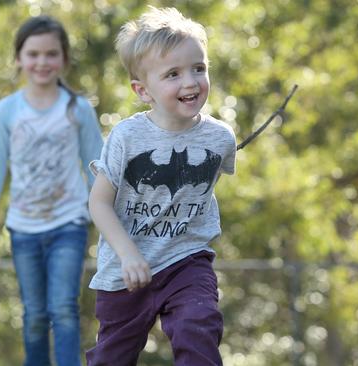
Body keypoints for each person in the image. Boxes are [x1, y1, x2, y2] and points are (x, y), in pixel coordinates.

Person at [85, 6, 236, 366]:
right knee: (111, 358)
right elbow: (99, 204)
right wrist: (128, 253)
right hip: (126, 270)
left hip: (187, 261)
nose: (190, 82)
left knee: (197, 325)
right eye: (172, 74)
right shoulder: (127, 137)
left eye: (199, 68)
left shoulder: (220, 139)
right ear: (142, 90)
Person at [0, 15, 104, 366]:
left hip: (69, 223)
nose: (42, 62)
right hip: (23, 228)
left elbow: (100, 170)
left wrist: (112, 229)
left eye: (51, 54)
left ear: (64, 59)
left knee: (64, 310)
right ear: (19, 59)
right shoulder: (6, 111)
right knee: (36, 315)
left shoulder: (78, 109)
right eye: (33, 54)